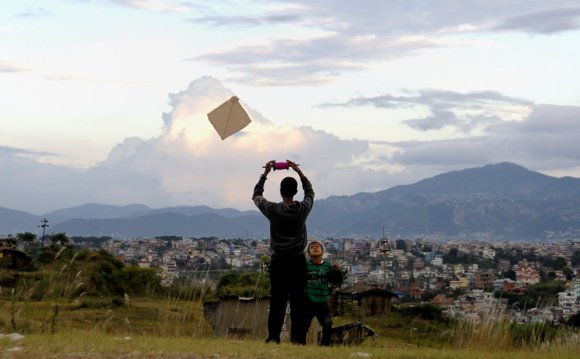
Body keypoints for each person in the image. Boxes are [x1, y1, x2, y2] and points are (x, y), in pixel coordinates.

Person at [252, 160, 314, 344]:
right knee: (298, 301)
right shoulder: (303, 209)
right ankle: (298, 338)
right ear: (295, 192)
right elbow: (310, 192)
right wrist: (298, 171)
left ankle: (273, 337)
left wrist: (265, 174)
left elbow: (256, 195)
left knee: (277, 300)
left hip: (279, 261)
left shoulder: (273, 209)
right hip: (297, 261)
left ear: (281, 191)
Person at [304, 240, 344, 346]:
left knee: (327, 324)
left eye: (318, 246)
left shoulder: (327, 267)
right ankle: (300, 346)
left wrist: (337, 271)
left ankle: (324, 346)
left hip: (322, 302)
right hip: (307, 301)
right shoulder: (305, 266)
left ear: (322, 252)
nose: (315, 248)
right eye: (312, 247)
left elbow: (337, 282)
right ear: (308, 253)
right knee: (303, 326)